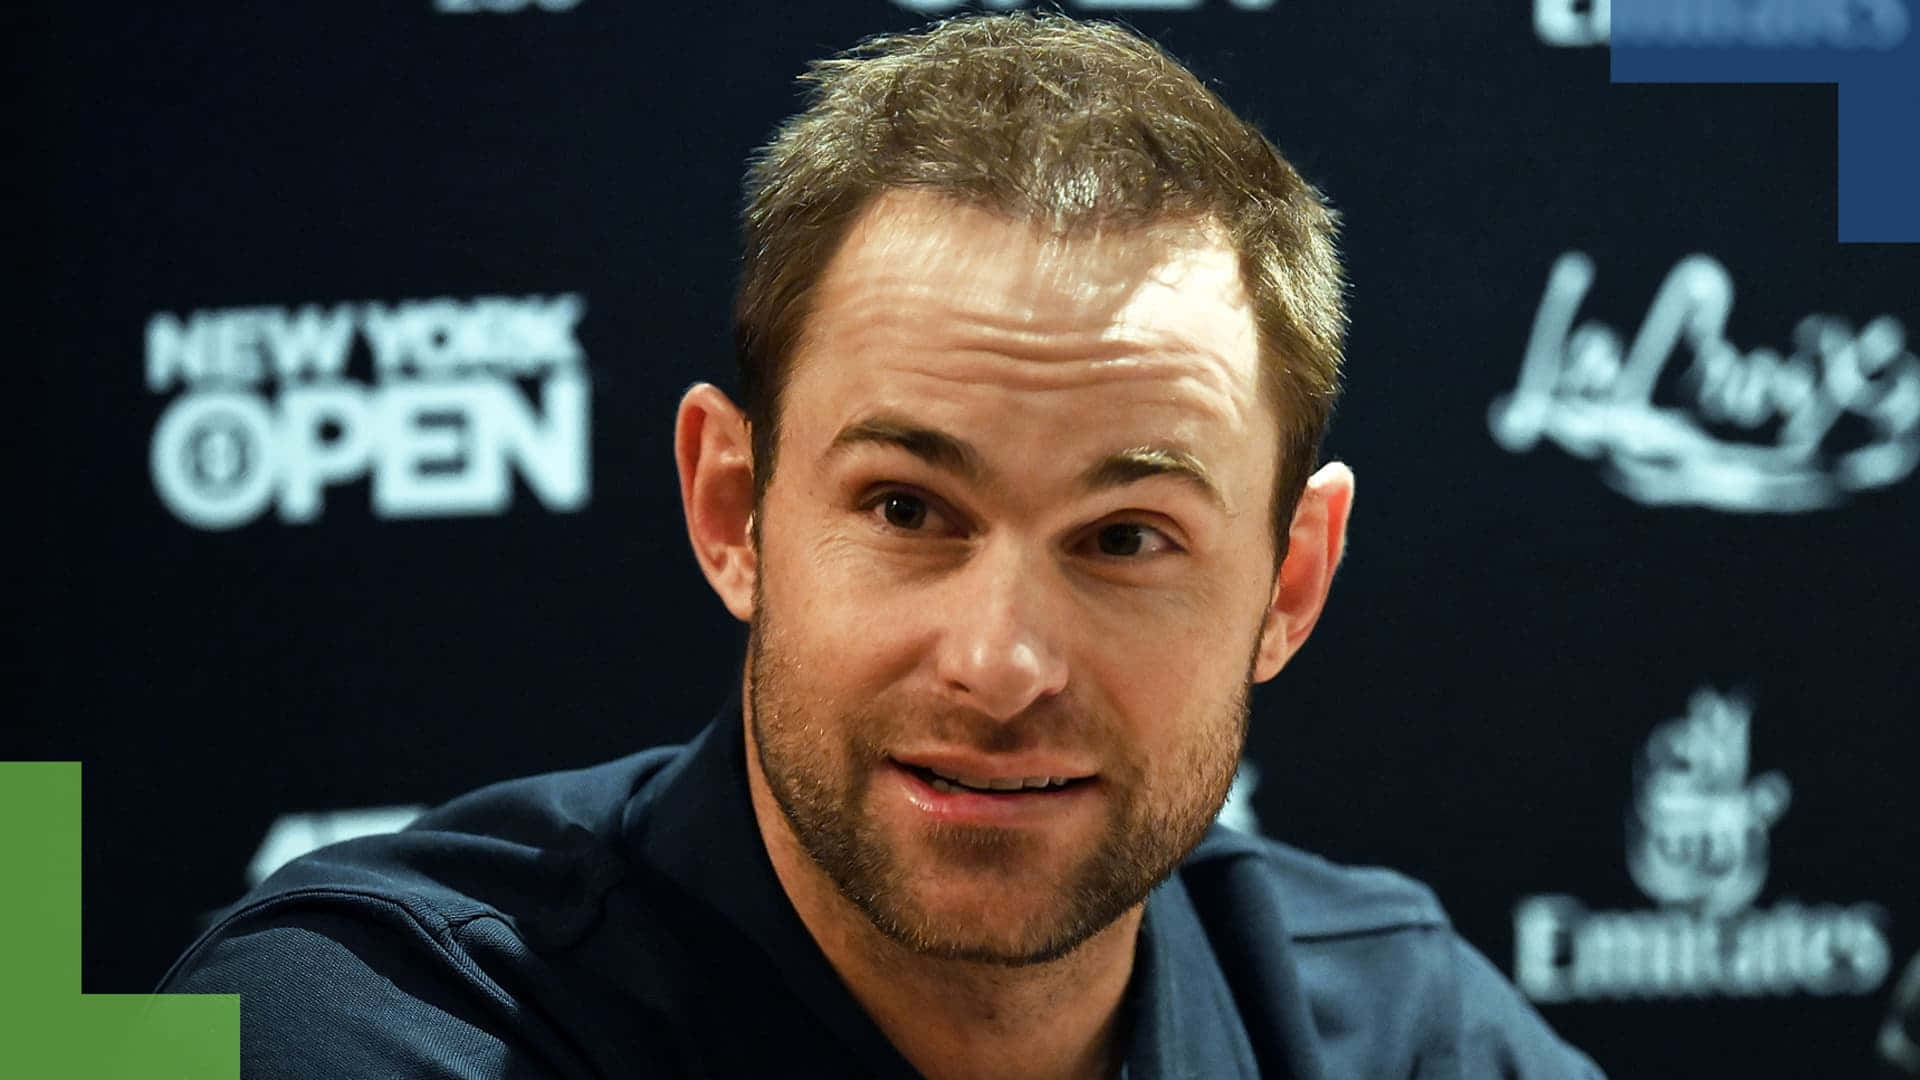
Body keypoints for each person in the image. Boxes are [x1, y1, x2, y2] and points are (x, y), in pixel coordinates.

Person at [162, 13, 1604, 1078]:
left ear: (1290, 585)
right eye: (910, 510)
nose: (998, 664)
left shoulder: (1395, 1029)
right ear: (733, 508)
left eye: (1125, 536)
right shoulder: (361, 1032)